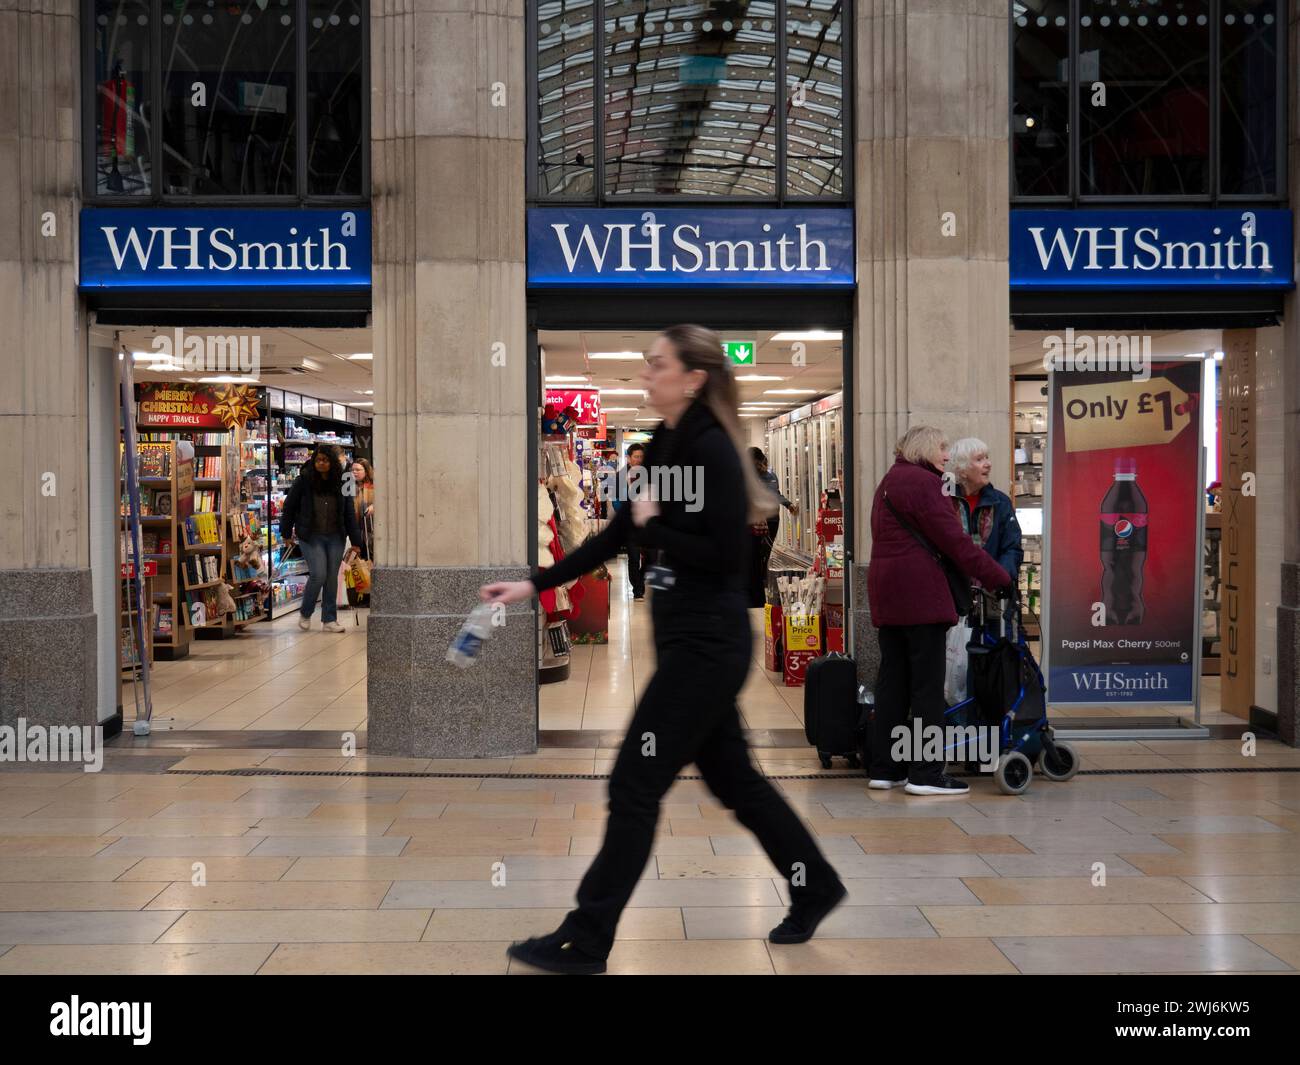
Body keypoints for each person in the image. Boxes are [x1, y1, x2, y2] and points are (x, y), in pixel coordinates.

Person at [482, 324, 846, 974]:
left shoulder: (711, 447)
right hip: (689, 642)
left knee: (634, 781)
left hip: (708, 645)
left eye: (656, 363)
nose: (646, 373)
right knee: (737, 782)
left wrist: (659, 529)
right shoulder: (669, 442)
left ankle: (587, 936)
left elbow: (726, 554)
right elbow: (618, 532)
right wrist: (533, 581)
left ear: (693, 376)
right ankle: (815, 882)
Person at [866, 426, 1012, 795]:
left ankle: (886, 769)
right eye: (943, 448)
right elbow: (955, 542)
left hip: (888, 593)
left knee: (892, 685)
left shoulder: (888, 482)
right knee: (928, 688)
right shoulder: (925, 484)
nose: (946, 456)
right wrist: (998, 578)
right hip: (920, 596)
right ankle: (925, 773)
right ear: (925, 448)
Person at [279, 444, 362, 632]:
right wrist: (285, 533)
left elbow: (349, 511)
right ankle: (306, 612)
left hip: (336, 535)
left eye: (325, 460)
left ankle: (329, 620)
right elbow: (289, 508)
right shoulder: (303, 480)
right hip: (311, 535)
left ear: (332, 462)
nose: (321, 463)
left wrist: (356, 541)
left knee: (332, 577)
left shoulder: (344, 481)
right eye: (318, 460)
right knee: (318, 574)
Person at [950, 438, 1021, 583]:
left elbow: (1012, 548)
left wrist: (1000, 578)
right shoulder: (946, 502)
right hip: (954, 595)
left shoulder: (1001, 502)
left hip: (991, 594)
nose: (988, 464)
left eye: (987, 458)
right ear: (962, 470)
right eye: (979, 459)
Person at [747, 447, 799, 608]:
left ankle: (760, 590)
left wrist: (788, 504)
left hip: (769, 521)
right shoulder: (748, 477)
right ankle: (758, 592)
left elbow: (775, 493)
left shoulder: (769, 476)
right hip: (757, 522)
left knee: (763, 556)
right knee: (756, 557)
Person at [611, 442, 648, 601]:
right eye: (636, 457)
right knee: (633, 558)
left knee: (651, 558)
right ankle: (637, 590)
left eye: (641, 457)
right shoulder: (619, 476)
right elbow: (615, 501)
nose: (639, 460)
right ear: (628, 458)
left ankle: (640, 581)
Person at [349, 457, 376, 562]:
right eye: (353, 470)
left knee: (372, 555)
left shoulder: (374, 485)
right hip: (356, 528)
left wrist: (375, 506)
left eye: (358, 470)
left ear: (366, 471)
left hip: (371, 528)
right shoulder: (350, 487)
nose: (354, 472)